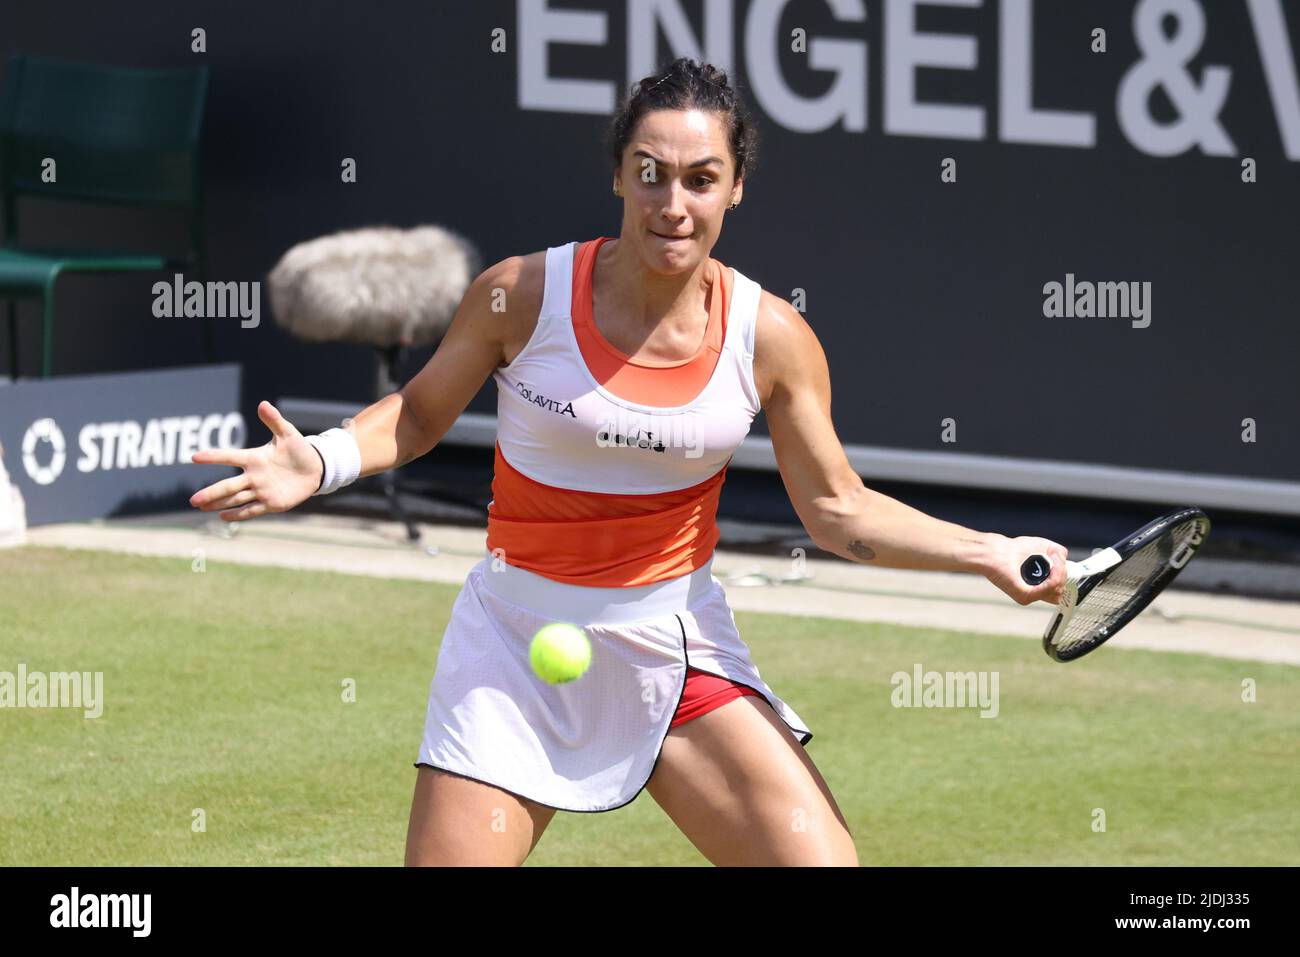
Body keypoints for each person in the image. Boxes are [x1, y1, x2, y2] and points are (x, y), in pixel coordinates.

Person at [188, 57, 1068, 867]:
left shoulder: (772, 337)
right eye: (650, 172)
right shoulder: (518, 295)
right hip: (513, 649)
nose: (672, 203)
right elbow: (417, 418)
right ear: (618, 174)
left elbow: (837, 511)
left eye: (700, 179)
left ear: (735, 189)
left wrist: (986, 550)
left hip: (673, 645)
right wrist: (327, 459)